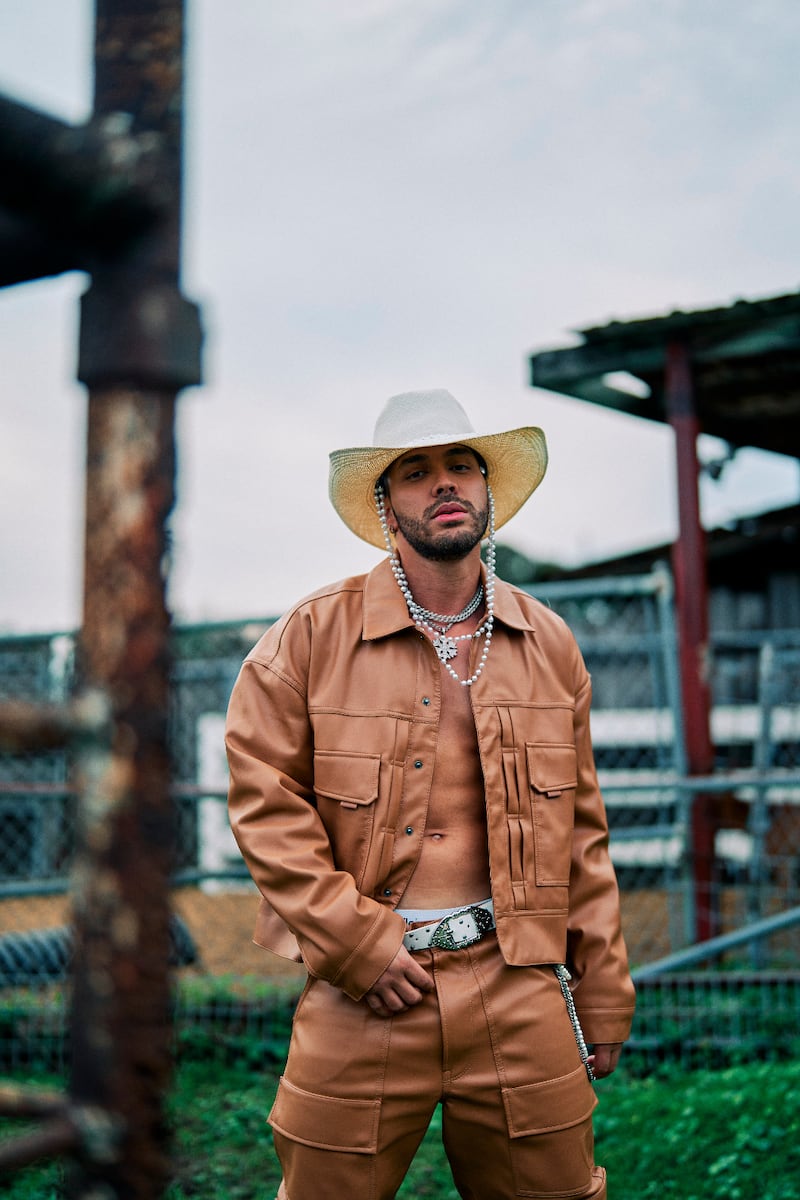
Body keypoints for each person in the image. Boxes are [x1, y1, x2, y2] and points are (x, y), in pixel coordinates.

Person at [225, 388, 635, 1200]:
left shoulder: (549, 643)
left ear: (487, 491)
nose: (443, 484)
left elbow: (582, 830)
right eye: (415, 472)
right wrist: (353, 944)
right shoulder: (308, 636)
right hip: (368, 981)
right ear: (386, 502)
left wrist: (605, 980)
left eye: (460, 467)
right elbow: (263, 801)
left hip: (520, 976)